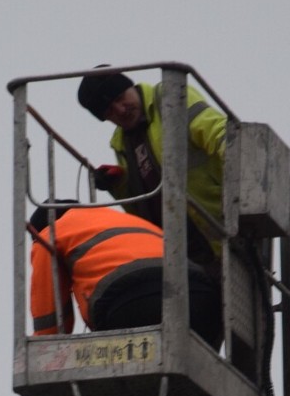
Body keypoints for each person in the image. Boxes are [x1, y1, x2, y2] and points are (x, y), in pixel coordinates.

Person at [76, 68, 227, 268]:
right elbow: (140, 209)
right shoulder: (121, 143)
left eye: (121, 98)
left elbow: (217, 131)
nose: (121, 110)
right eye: (110, 110)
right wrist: (119, 183)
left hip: (223, 232)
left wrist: (249, 170)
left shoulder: (170, 97)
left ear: (131, 86)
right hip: (180, 255)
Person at [29, 202, 222, 348]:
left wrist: (45, 351)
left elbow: (51, 323)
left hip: (133, 303)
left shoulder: (48, 234)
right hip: (203, 300)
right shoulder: (123, 219)